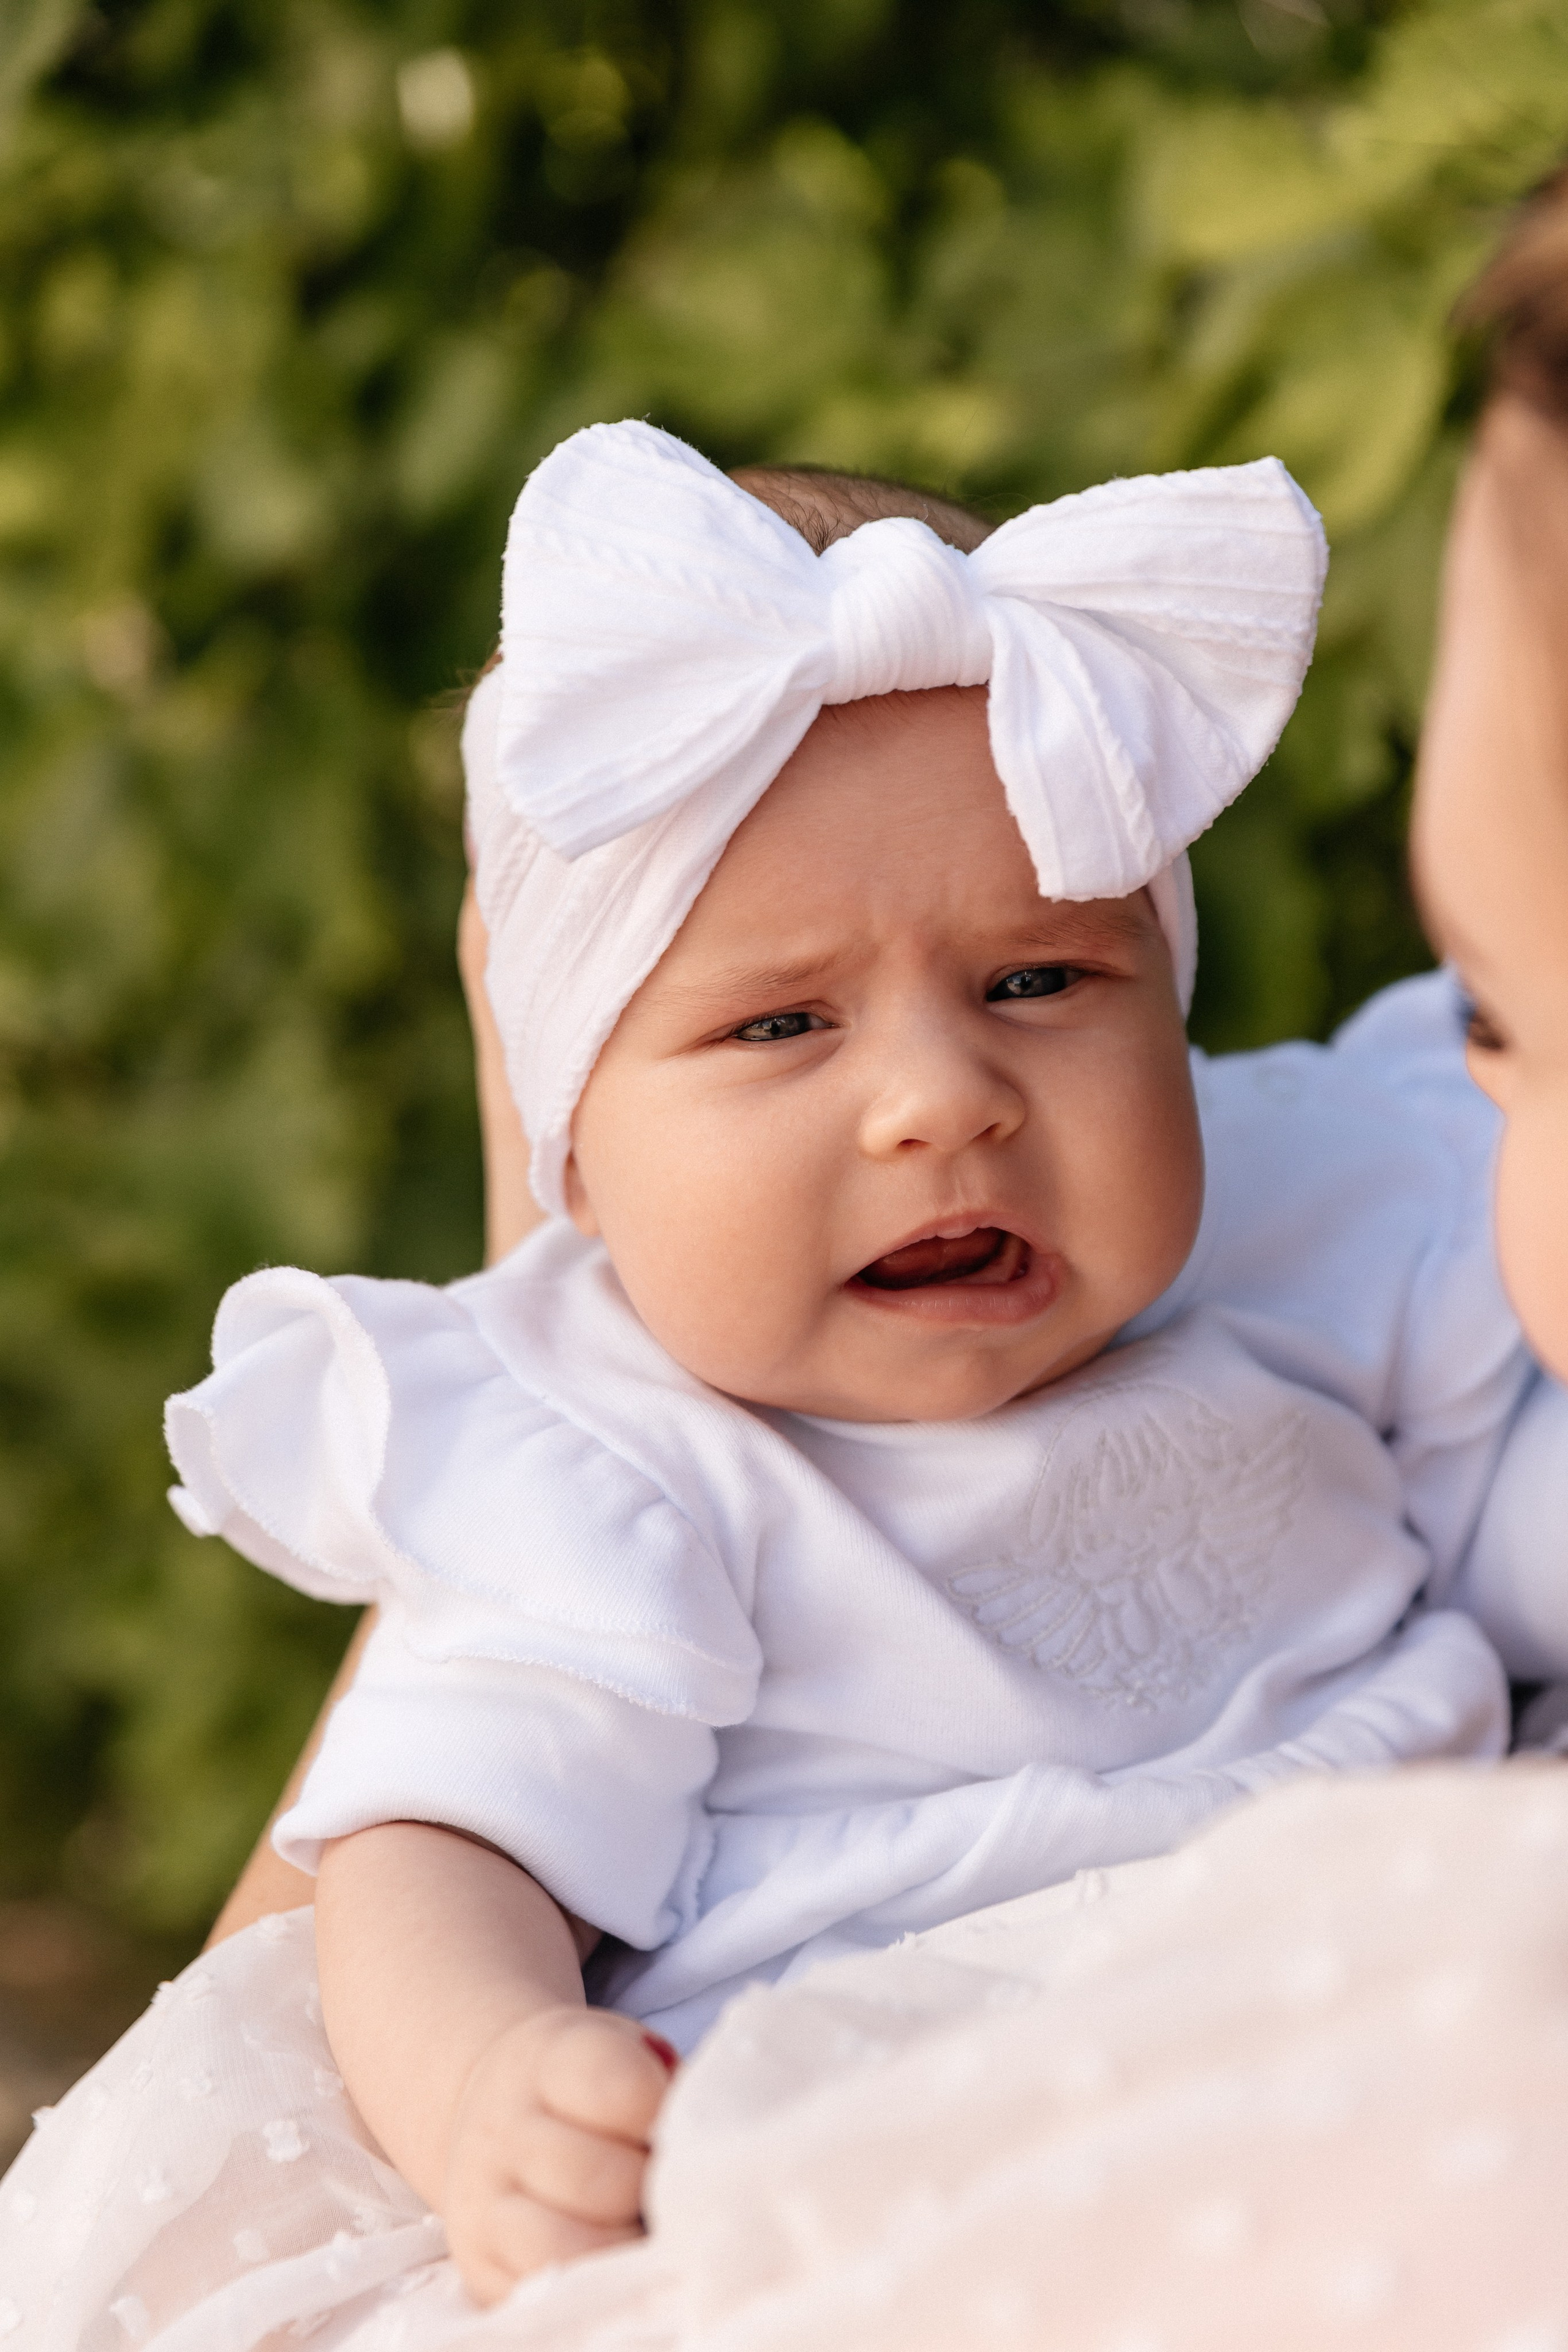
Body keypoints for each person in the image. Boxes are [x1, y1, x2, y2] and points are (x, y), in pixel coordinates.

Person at [1, 415, 1561, 2351]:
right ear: (576, 1142)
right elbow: (435, 1844)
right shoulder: (612, 1442)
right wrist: (490, 2076)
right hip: (909, 2089)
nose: (938, 1101)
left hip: (1377, 1940)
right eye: (781, 1023)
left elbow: (1522, 1482)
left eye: (1041, 983)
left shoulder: (1304, 1217)